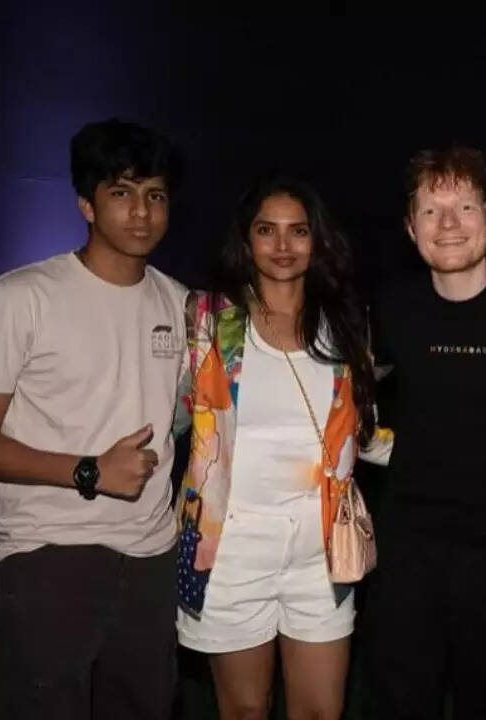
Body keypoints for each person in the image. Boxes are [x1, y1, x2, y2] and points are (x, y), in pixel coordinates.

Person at [0, 118, 186, 720]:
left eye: (154, 195)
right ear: (86, 202)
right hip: (46, 556)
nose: (140, 212)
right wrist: (89, 471)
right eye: (121, 192)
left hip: (152, 560)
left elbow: (190, 418)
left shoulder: (182, 305)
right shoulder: (19, 297)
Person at [174, 171, 392, 720]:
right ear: (245, 239)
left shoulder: (344, 325)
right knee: (245, 710)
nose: (282, 245)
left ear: (316, 240)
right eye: (267, 230)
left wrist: (456, 447)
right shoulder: (208, 320)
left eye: (298, 231)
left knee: (320, 712)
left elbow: (363, 434)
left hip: (321, 549)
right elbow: (172, 415)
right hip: (230, 549)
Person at [364, 146, 486, 719]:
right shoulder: (395, 306)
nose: (448, 224)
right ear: (410, 226)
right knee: (404, 700)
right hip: (409, 544)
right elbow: (349, 401)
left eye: (465, 207)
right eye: (431, 210)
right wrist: (379, 444)